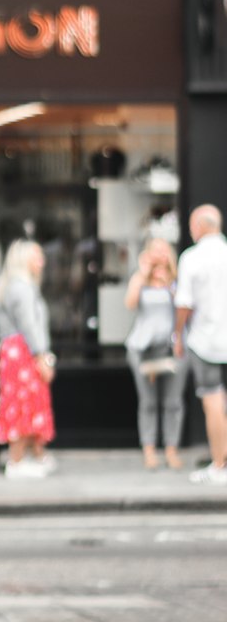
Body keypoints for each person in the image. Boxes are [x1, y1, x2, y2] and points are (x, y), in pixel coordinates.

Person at [0, 239, 56, 480]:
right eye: (37, 256)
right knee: (23, 405)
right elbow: (30, 325)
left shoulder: (6, 284)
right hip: (25, 352)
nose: (42, 261)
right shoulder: (22, 287)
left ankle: (31, 456)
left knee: (25, 403)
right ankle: (17, 461)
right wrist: (43, 357)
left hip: (13, 350)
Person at [175, 203, 227, 485]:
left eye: (193, 225)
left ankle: (220, 464)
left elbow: (184, 303)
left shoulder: (192, 258)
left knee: (213, 402)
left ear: (202, 226)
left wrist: (177, 336)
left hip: (206, 340)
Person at [124, 238, 187, 470]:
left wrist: (169, 285)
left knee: (173, 401)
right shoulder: (140, 279)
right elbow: (130, 303)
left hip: (173, 348)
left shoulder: (178, 280)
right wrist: (143, 274)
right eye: (155, 250)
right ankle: (149, 450)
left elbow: (185, 308)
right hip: (143, 349)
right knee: (148, 401)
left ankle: (171, 449)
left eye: (164, 250)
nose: (159, 255)